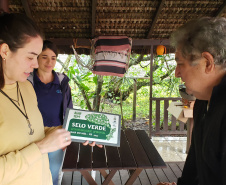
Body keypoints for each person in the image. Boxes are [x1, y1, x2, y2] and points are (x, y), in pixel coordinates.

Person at [0, 12, 71, 185]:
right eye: (31, 57)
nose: (36, 64)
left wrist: (77, 131)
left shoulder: (26, 87)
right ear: (5, 51)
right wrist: (41, 148)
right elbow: (39, 145)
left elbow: (33, 132)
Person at [157, 17, 226, 185]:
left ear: (207, 63)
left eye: (180, 64)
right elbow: (194, 167)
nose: (176, 73)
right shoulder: (202, 104)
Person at [28, 40, 73, 185]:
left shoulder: (62, 82)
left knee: (53, 172)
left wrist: (67, 134)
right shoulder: (27, 81)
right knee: (33, 173)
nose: (49, 62)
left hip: (57, 133)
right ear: (37, 58)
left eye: (53, 58)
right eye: (44, 57)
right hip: (33, 136)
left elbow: (69, 109)